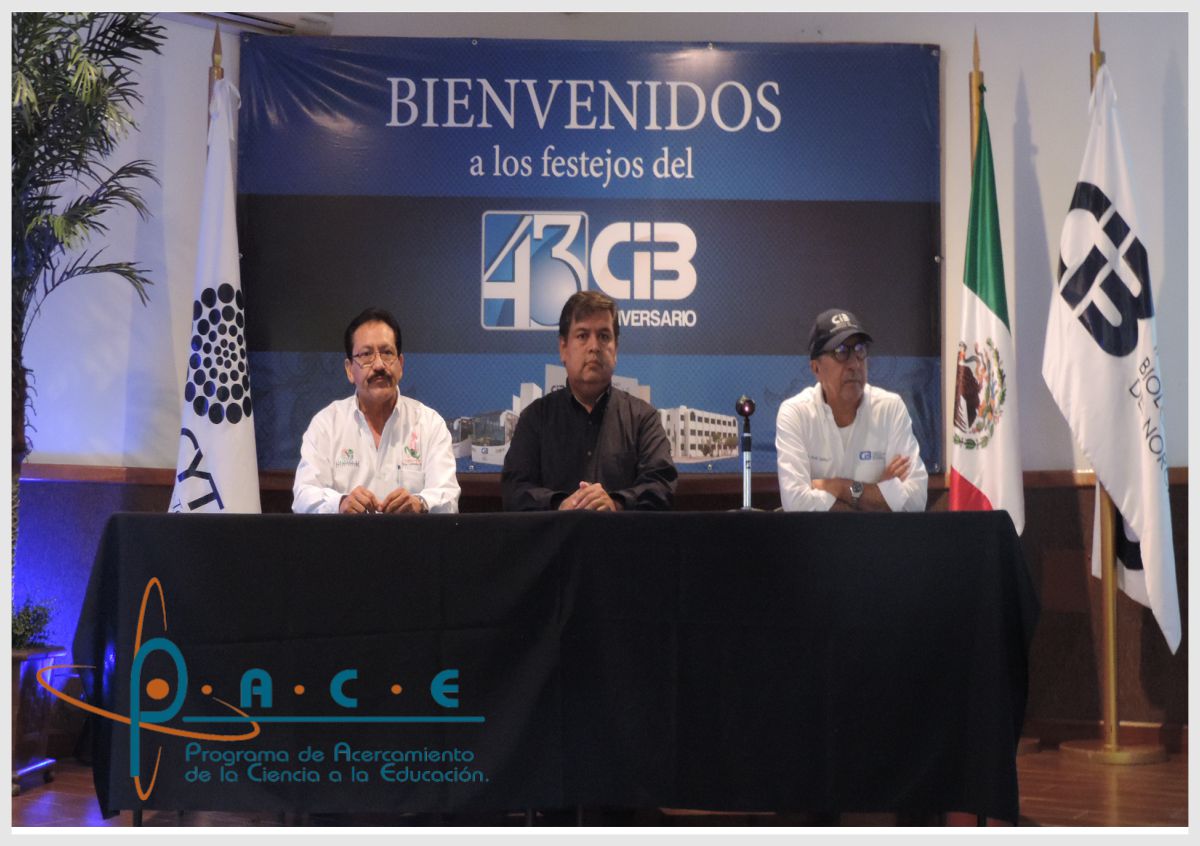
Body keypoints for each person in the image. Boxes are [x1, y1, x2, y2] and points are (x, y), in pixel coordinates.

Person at [501, 291, 677, 511]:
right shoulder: (535, 418)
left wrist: (616, 504)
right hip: (558, 534)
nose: (594, 346)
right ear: (563, 348)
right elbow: (514, 490)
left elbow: (661, 485)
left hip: (621, 533)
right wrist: (560, 505)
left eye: (604, 336)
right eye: (583, 335)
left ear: (616, 349)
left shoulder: (643, 418)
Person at [293, 307, 460, 514]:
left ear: (400, 365)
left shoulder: (430, 423)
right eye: (366, 355)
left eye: (387, 353)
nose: (379, 365)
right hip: (347, 535)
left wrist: (421, 504)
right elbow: (303, 496)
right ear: (349, 369)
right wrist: (340, 503)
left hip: (411, 535)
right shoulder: (327, 424)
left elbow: (448, 497)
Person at [775, 307, 927, 512]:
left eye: (859, 350)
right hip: (824, 535)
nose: (854, 364)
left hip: (877, 535)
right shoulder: (795, 414)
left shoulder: (890, 408)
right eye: (841, 352)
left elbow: (915, 500)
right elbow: (796, 504)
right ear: (816, 368)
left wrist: (839, 487)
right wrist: (877, 493)